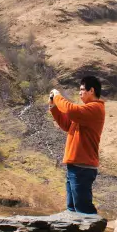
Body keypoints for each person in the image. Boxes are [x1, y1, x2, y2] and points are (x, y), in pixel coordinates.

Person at [48, 76, 106, 216]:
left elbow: (70, 110)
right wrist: (53, 106)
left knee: (83, 210)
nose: (79, 93)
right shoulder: (85, 111)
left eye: (82, 89)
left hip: (82, 167)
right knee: (73, 208)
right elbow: (67, 124)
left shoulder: (95, 108)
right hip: (76, 166)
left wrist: (57, 96)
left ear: (91, 90)